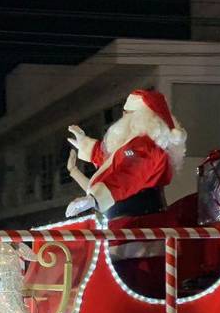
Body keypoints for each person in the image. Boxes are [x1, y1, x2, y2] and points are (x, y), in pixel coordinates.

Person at [65, 89, 187, 219]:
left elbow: (129, 174)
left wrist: (94, 199)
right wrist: (87, 145)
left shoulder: (147, 147)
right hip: (130, 219)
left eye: (127, 113)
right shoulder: (139, 143)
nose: (123, 116)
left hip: (139, 222)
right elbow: (117, 161)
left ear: (140, 117)